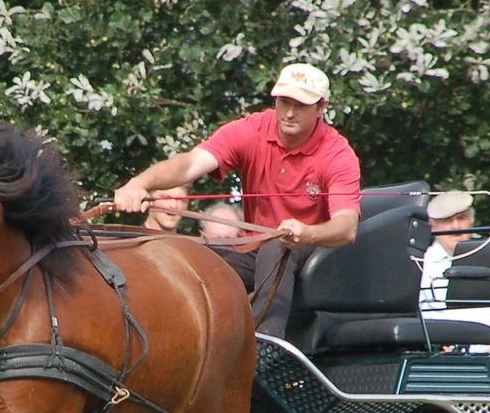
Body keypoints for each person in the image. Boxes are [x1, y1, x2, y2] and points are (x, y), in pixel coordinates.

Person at [112, 62, 361, 334]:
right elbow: (189, 164)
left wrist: (306, 232)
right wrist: (139, 183)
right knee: (192, 254)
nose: (289, 113)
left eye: (300, 105)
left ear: (321, 108)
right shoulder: (251, 130)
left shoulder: (338, 154)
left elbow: (346, 228)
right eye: (284, 102)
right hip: (257, 248)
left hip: (313, 250)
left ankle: (266, 349)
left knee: (277, 247)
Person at [417, 191, 490, 346]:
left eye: (461, 218)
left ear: (472, 222)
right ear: (432, 226)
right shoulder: (421, 264)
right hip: (440, 358)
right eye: (447, 220)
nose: (456, 226)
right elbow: (417, 319)